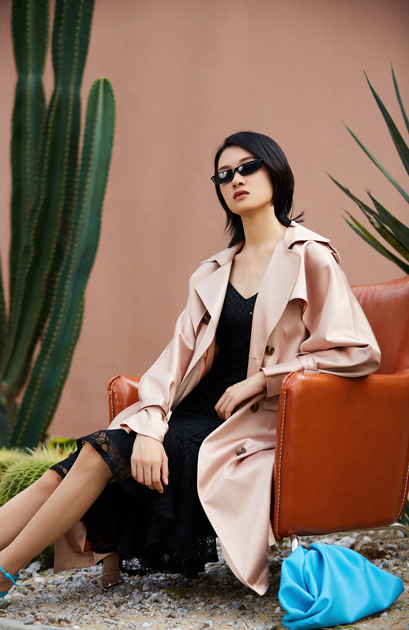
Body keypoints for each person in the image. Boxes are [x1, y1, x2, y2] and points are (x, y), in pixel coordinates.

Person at [0, 131, 381, 597]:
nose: (236, 179)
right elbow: (173, 362)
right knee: (68, 467)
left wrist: (263, 381)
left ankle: (4, 573)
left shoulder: (311, 257)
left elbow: (357, 352)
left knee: (98, 454)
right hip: (193, 413)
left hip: (251, 425)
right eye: (224, 174)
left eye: (248, 167)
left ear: (276, 173)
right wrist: (149, 427)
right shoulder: (213, 272)